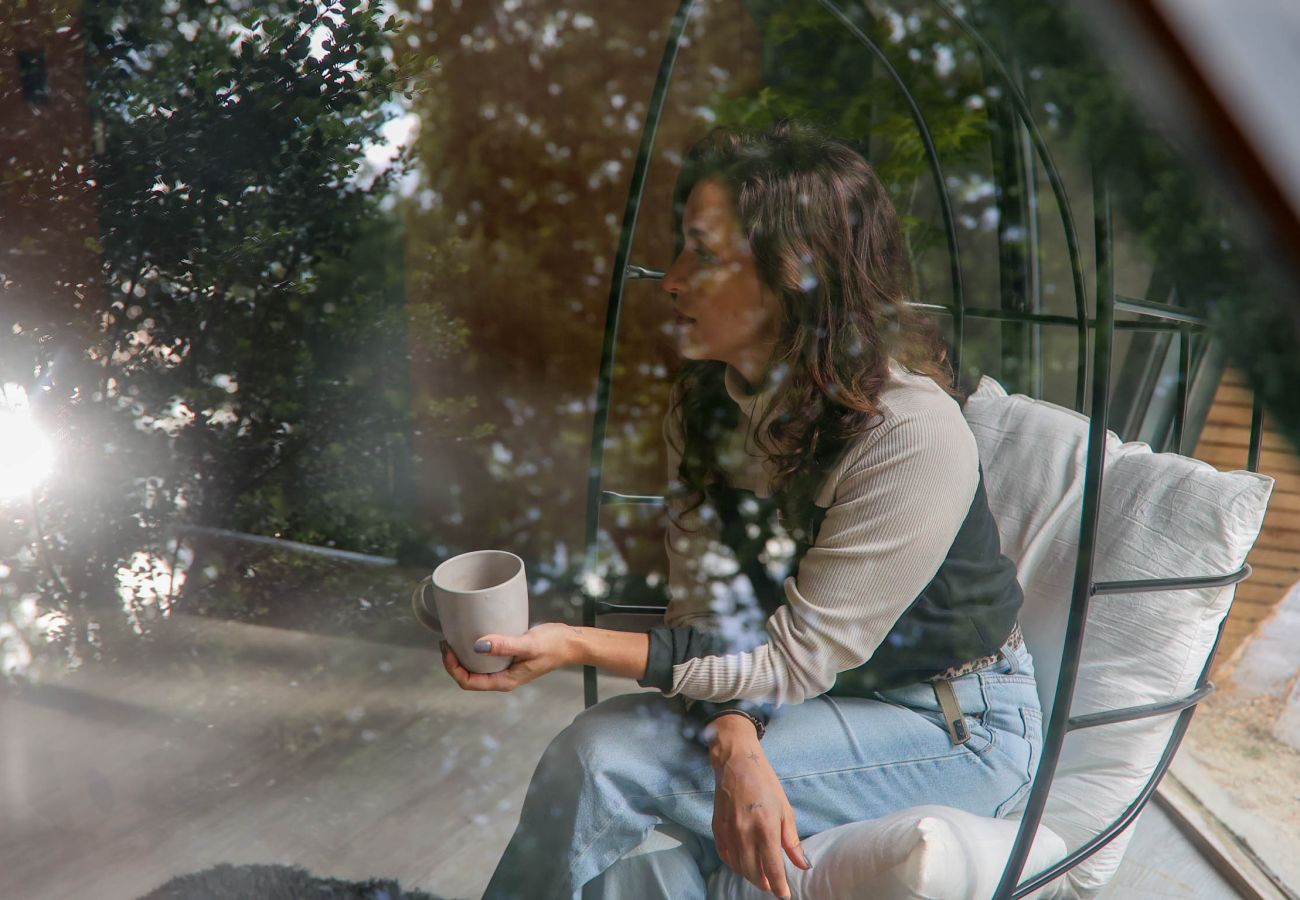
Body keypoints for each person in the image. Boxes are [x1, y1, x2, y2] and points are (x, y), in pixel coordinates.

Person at [440, 120, 1042, 900]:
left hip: (954, 724)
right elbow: (712, 604)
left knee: (604, 758)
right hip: (807, 698)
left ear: (799, 272)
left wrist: (577, 643)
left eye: (707, 253)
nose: (673, 279)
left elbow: (790, 661)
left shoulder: (910, 435)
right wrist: (735, 737)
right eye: (681, 247)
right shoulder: (706, 406)